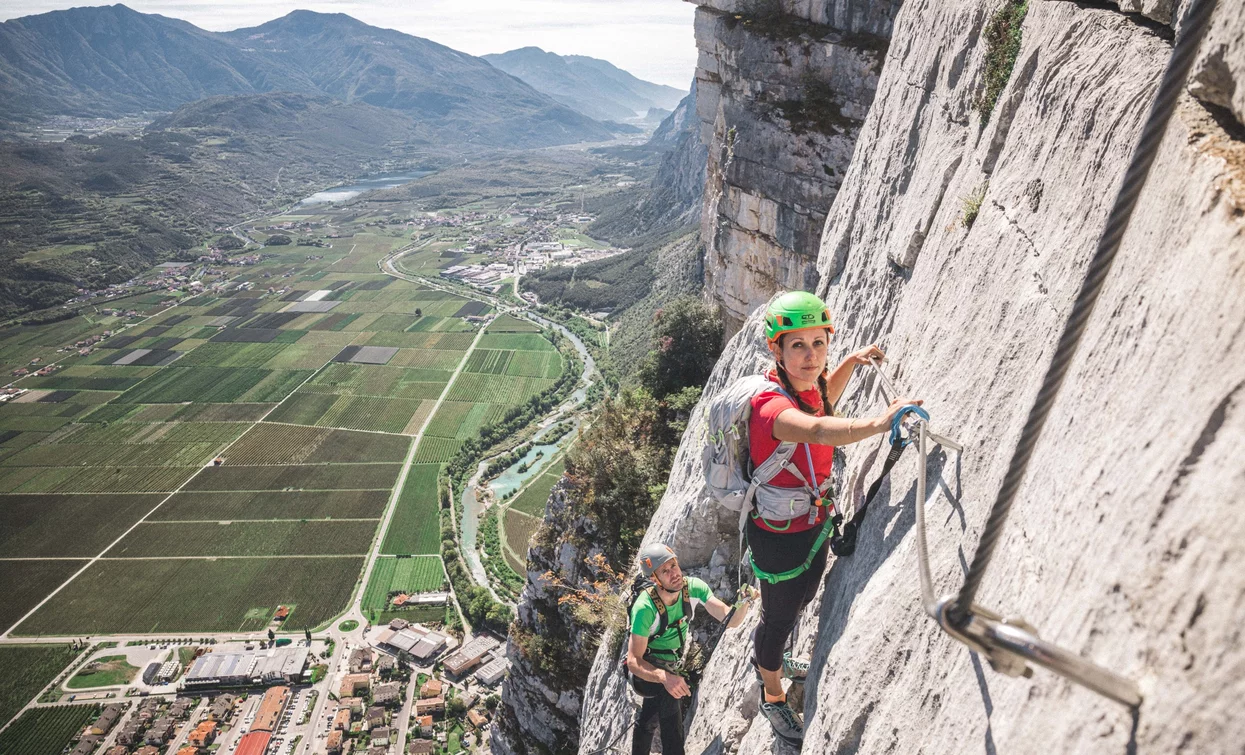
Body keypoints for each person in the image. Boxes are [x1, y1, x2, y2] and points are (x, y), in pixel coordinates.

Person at [749, 291, 921, 744]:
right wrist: (882, 423)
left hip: (810, 524)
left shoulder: (805, 388)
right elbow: (822, 428)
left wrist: (850, 360)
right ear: (776, 350)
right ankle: (771, 692)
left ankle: (778, 659)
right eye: (798, 346)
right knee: (779, 618)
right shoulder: (772, 409)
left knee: (803, 595)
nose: (811, 357)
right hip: (779, 536)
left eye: (818, 343)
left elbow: (825, 395)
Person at [627, 542, 755, 755]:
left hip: (671, 664)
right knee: (670, 705)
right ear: (654, 579)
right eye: (664, 571)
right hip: (647, 669)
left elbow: (729, 620)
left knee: (649, 716)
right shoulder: (644, 608)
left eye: (674, 566)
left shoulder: (693, 587)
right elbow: (633, 661)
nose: (674, 574)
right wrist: (664, 677)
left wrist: (744, 602)